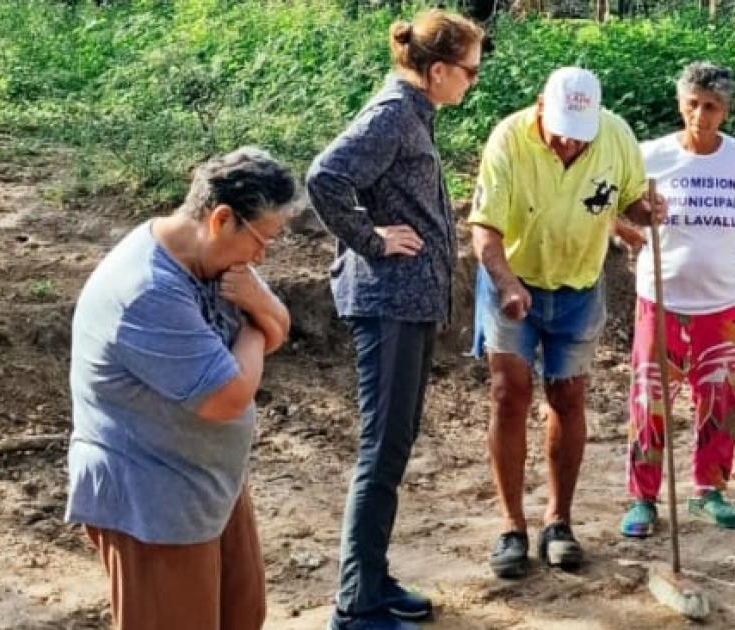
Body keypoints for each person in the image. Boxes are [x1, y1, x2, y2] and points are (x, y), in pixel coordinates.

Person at [66, 147, 297, 630]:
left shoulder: (214, 260)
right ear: (221, 219)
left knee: (241, 616)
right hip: (152, 499)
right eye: (262, 239)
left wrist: (260, 311)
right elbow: (227, 397)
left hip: (207, 484)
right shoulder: (149, 289)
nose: (262, 255)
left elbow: (282, 322)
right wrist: (256, 325)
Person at [305, 9, 484, 630]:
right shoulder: (391, 115)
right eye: (469, 72)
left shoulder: (412, 114)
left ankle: (372, 581)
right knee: (382, 450)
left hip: (408, 304)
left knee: (396, 444)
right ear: (437, 71)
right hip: (387, 304)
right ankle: (355, 605)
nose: (472, 82)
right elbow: (324, 176)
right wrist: (373, 240)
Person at [469, 66, 665, 579]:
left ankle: (558, 522)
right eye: (559, 133)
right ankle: (512, 526)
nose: (566, 146)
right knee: (509, 391)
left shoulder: (616, 136)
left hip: (579, 284)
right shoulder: (508, 139)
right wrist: (508, 285)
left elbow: (630, 205)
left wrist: (649, 210)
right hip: (513, 278)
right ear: (540, 107)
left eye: (578, 139)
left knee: (568, 396)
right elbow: (485, 231)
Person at [616, 61, 735, 538]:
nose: (700, 115)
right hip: (662, 295)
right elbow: (608, 198)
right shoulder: (650, 157)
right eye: (692, 104)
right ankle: (643, 497)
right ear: (680, 104)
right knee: (651, 396)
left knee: (720, 396)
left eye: (711, 107)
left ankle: (709, 490)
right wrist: (632, 235)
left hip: (726, 297)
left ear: (725, 111)